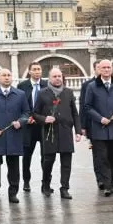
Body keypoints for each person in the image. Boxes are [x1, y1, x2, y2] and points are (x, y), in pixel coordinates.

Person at [80, 59, 113, 196]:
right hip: (98, 128)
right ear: (99, 69)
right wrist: (100, 118)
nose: (106, 70)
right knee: (102, 157)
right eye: (104, 67)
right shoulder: (92, 87)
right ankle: (107, 185)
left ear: (112, 69)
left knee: (112, 157)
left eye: (108, 67)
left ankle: (111, 182)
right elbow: (87, 107)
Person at [0, 68, 30, 203]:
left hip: (14, 135)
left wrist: (20, 122)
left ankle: (13, 192)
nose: (6, 77)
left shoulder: (20, 94)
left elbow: (26, 112)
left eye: (9, 75)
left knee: (14, 166)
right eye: (3, 75)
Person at [34, 67, 80, 198]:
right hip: (50, 132)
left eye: (59, 76)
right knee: (48, 161)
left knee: (66, 162)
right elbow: (35, 113)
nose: (58, 78)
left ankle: (64, 188)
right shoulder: (43, 93)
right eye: (54, 76)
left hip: (66, 131)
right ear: (49, 78)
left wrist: (78, 131)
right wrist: (44, 119)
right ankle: (46, 184)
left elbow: (75, 114)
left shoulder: (69, 92)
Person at [16, 62, 47, 192]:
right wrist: (25, 118)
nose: (37, 71)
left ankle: (46, 183)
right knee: (27, 155)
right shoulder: (22, 86)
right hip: (28, 126)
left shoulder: (47, 85)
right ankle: (26, 181)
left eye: (39, 69)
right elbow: (19, 105)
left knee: (46, 156)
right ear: (29, 71)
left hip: (43, 125)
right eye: (34, 69)